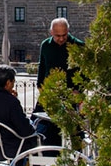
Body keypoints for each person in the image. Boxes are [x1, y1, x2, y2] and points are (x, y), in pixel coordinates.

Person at [35, 18, 85, 146]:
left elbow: (85, 73)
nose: (61, 39)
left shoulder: (78, 46)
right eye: (58, 36)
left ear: (68, 31)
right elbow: (42, 68)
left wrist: (78, 91)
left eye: (64, 35)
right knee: (41, 126)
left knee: (75, 132)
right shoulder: (45, 45)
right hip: (49, 93)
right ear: (51, 32)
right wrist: (41, 87)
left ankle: (79, 158)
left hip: (71, 95)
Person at [0, 65, 38, 162]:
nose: (13, 85)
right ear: (8, 83)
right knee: (35, 139)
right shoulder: (11, 102)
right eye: (13, 82)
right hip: (9, 149)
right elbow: (25, 130)